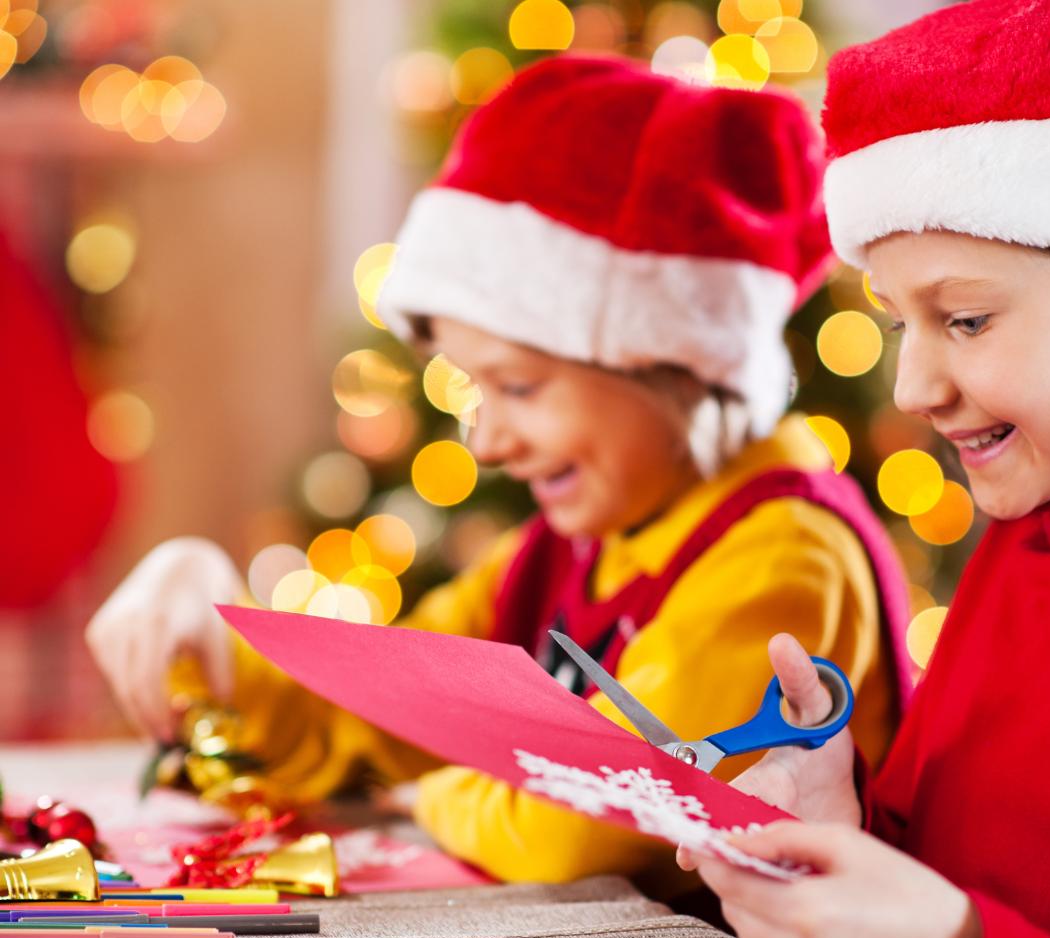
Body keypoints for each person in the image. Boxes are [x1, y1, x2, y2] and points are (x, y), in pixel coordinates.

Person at [87, 55, 910, 887]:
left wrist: (427, 797)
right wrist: (204, 629)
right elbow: (367, 709)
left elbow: (591, 825)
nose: (485, 443)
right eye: (475, 390)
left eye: (518, 386)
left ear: (677, 364)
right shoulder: (563, 552)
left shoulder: (784, 560)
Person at [678, 0, 1050, 938]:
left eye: (966, 319)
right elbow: (970, 869)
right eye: (902, 323)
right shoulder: (1025, 531)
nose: (911, 384)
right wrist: (842, 826)